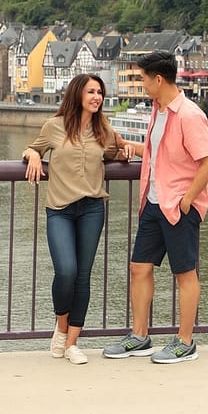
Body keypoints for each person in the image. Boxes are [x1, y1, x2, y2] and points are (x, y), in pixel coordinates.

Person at [102, 50, 208, 364]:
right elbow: (158, 153)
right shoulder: (159, 109)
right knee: (139, 267)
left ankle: (185, 341)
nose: (141, 84)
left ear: (159, 79)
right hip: (153, 202)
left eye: (142, 79)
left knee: (185, 274)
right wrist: (129, 147)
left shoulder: (189, 114)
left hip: (179, 205)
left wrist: (188, 199)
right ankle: (140, 337)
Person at [23, 73, 130, 366]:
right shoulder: (54, 126)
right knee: (67, 271)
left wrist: (125, 152)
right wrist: (33, 155)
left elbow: (115, 150)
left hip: (92, 208)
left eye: (100, 93)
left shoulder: (103, 130)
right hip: (60, 209)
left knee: (83, 275)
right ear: (77, 94)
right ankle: (60, 325)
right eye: (91, 91)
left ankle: (72, 343)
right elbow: (34, 147)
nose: (97, 97)